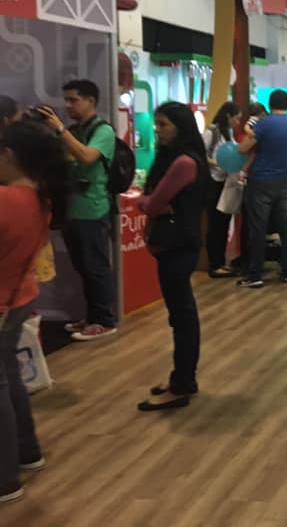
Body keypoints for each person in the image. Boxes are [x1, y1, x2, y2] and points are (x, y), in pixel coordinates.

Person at [0, 121, 69, 504]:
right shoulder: (41, 199)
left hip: (3, 300)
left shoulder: (7, 200)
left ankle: (5, 479)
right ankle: (27, 452)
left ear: (10, 155)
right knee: (8, 375)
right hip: (19, 296)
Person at [136, 102, 209, 411]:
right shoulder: (183, 160)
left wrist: (146, 202)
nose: (158, 130)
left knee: (182, 316)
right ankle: (181, 378)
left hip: (177, 245)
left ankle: (182, 382)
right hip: (178, 243)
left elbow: (152, 203)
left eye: (164, 124)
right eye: (157, 124)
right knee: (180, 315)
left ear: (180, 126)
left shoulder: (183, 163)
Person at [38, 80, 118, 341]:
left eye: (74, 100)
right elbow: (66, 159)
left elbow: (86, 157)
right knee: (83, 268)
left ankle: (105, 320)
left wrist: (59, 129)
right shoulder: (75, 131)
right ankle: (92, 317)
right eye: (66, 100)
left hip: (93, 210)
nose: (68, 105)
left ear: (91, 101)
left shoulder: (103, 131)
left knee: (96, 268)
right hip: (72, 210)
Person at [237, 90, 287, 289]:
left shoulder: (263, 124)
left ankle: (255, 275)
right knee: (286, 228)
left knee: (258, 229)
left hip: (261, 181)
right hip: (283, 180)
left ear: (270, 103)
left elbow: (242, 148)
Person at [202, 101, 241, 278]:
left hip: (226, 181)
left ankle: (222, 260)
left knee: (224, 222)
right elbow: (200, 154)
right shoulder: (211, 132)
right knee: (215, 224)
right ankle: (214, 264)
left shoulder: (229, 133)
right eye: (236, 118)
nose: (237, 122)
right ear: (228, 116)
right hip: (213, 181)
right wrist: (216, 163)